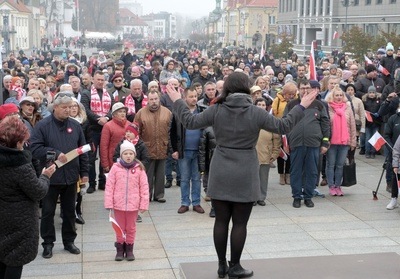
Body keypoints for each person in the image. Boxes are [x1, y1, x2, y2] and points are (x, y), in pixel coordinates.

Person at [166, 72, 317, 279]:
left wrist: (177, 101)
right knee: (239, 223)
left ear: (226, 88)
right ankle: (235, 266)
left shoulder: (216, 109)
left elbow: (190, 122)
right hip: (245, 170)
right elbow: (283, 126)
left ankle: (221, 266)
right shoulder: (255, 112)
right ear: (247, 88)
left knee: (220, 221)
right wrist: (301, 106)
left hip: (220, 168)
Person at [30, 92, 89, 259]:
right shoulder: (43, 125)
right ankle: (48, 243)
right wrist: (54, 153)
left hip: (71, 176)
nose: (68, 110)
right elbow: (34, 148)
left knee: (70, 211)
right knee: (48, 212)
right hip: (51, 177)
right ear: (55, 108)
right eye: (64, 107)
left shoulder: (76, 126)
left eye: (70, 107)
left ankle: (69, 241)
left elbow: (83, 151)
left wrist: (84, 173)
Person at [0, 117, 56, 279]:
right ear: (18, 142)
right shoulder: (20, 166)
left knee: (2, 257)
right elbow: (38, 191)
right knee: (15, 260)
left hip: (2, 217)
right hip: (20, 221)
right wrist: (45, 176)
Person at [284, 80, 331, 208]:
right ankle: (297, 196)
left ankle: (308, 196)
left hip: (314, 144)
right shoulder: (291, 105)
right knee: (296, 171)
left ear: (312, 89)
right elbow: (285, 124)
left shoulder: (319, 105)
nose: (305, 90)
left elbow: (326, 124)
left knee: (312, 171)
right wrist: (285, 143)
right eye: (303, 88)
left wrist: (325, 143)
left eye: (308, 88)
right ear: (298, 89)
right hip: (296, 143)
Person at [104, 140, 149, 261]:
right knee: (119, 228)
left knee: (131, 228)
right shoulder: (115, 168)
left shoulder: (139, 169)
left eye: (130, 154)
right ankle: (120, 249)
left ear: (134, 155)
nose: (128, 156)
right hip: (118, 204)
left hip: (133, 205)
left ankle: (129, 249)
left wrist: (144, 203)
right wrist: (109, 202)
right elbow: (109, 186)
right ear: (121, 155)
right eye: (125, 154)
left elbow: (144, 187)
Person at [170, 87, 204, 214]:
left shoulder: (202, 111)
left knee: (196, 178)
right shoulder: (178, 112)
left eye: (195, 96)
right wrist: (174, 149)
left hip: (198, 151)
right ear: (185, 98)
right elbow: (172, 132)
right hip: (183, 151)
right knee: (184, 178)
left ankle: (196, 202)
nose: (194, 99)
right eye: (191, 96)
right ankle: (184, 202)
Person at [134, 91, 172, 203]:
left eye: (156, 99)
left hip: (162, 146)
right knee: (147, 175)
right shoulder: (140, 113)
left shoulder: (167, 112)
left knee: (161, 174)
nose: (154, 101)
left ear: (159, 99)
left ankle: (159, 195)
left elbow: (171, 131)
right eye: (151, 99)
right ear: (148, 100)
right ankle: (147, 195)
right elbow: (136, 132)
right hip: (147, 148)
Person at [326, 85, 357, 196]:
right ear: (332, 96)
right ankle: (331, 186)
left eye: (340, 95)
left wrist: (353, 141)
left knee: (340, 165)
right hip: (332, 142)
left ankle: (338, 186)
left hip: (344, 142)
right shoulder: (328, 107)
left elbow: (352, 125)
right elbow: (326, 126)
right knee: (331, 164)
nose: (339, 97)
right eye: (336, 95)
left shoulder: (347, 107)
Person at [255, 97, 281, 206]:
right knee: (252, 179)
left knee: (263, 178)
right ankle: (252, 198)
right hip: (251, 155)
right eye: (259, 104)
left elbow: (277, 139)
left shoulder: (270, 121)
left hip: (266, 155)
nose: (261, 107)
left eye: (263, 105)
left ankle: (261, 197)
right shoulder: (250, 119)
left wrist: (275, 154)